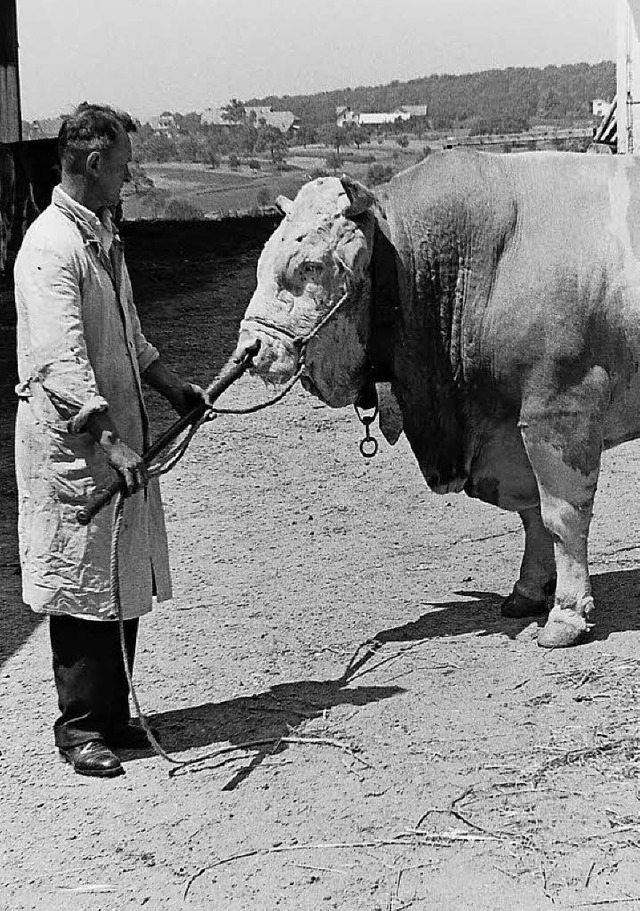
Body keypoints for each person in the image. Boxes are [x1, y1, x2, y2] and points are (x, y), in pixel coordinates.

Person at [13, 103, 205, 778]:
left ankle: (112, 711)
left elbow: (131, 333)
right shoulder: (49, 248)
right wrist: (106, 436)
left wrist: (174, 385)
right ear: (94, 165)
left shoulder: (101, 237)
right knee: (79, 584)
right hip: (75, 447)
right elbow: (57, 360)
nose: (129, 177)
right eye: (122, 166)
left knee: (117, 576)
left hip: (114, 439)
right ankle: (80, 728)